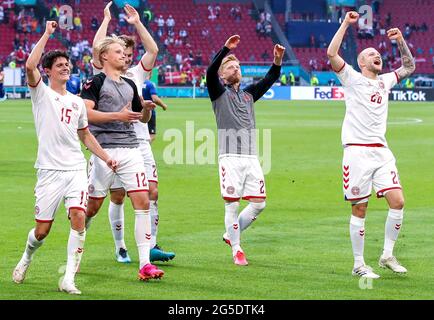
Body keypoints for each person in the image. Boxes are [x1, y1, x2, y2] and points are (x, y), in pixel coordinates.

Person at [12, 21, 118, 294]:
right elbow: (29, 66)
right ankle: (26, 257)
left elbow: (85, 136)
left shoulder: (76, 102)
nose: (65, 68)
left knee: (78, 217)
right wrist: (47, 33)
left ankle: (68, 278)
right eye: (59, 65)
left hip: (74, 170)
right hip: (49, 171)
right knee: (42, 231)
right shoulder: (41, 94)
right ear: (47, 71)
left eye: (67, 65)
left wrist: (105, 157)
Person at [327, 11, 415, 279]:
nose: (376, 55)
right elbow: (331, 55)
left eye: (378, 53)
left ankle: (387, 255)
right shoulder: (352, 78)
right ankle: (358, 264)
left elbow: (409, 67)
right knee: (360, 207)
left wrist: (400, 41)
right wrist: (345, 23)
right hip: (356, 152)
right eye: (369, 54)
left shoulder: (385, 80)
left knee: (398, 201)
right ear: (361, 62)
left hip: (382, 152)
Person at [91, 2, 175, 264]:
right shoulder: (101, 74)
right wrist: (105, 20)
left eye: (128, 53)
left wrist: (137, 23)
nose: (126, 57)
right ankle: (120, 248)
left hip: (139, 142)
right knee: (116, 196)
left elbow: (153, 49)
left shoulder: (138, 73)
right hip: (112, 140)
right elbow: (97, 48)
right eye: (121, 52)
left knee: (151, 192)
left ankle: (150, 246)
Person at [206, 35, 285, 266]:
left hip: (251, 157)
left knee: (259, 203)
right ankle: (237, 249)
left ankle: (230, 234)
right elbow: (209, 72)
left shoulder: (249, 94)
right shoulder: (218, 92)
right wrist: (225, 49)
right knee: (232, 204)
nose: (236, 68)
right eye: (230, 66)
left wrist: (277, 60)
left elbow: (270, 78)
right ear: (222, 74)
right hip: (229, 158)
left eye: (238, 65)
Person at [143, 78, 168, 143]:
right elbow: (155, 99)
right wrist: (163, 105)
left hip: (136, 112)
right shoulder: (149, 84)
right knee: (151, 135)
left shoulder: (136, 82)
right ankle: (144, 150)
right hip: (148, 112)